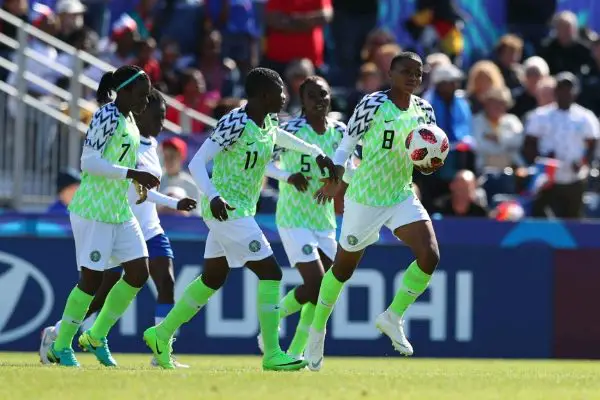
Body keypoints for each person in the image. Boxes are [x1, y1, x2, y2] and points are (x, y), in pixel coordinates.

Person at [142, 67, 338, 371]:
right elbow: (197, 162)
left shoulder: (268, 121)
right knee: (271, 273)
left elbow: (280, 137)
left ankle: (161, 333)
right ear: (264, 95)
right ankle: (272, 353)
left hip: (240, 210)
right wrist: (213, 195)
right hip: (227, 210)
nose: (285, 96)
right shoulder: (235, 122)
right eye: (280, 91)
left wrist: (315, 151)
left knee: (213, 278)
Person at [303, 52, 442, 371]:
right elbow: (347, 144)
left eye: (418, 73)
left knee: (430, 255)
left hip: (401, 194)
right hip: (365, 196)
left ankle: (393, 316)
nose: (413, 78)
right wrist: (336, 177)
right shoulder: (373, 104)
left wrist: (428, 164)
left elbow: (426, 152)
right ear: (390, 73)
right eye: (406, 71)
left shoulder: (425, 110)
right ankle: (317, 330)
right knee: (342, 269)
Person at [40, 89, 197, 367]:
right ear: (141, 114)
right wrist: (172, 202)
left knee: (165, 281)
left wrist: (173, 202)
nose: (162, 123)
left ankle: (161, 351)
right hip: (116, 220)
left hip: (148, 226)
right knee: (97, 293)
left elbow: (144, 188)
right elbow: (132, 187)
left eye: (164, 117)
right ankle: (59, 334)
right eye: (158, 117)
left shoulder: (151, 145)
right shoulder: (128, 143)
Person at [45, 66, 158, 367]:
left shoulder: (130, 119)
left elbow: (116, 162)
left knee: (138, 272)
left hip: (118, 209)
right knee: (92, 280)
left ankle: (96, 335)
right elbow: (89, 162)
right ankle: (61, 345)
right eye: (142, 95)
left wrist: (137, 182)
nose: (146, 101)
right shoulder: (106, 115)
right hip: (95, 209)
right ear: (125, 91)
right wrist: (133, 173)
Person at [256, 76, 348, 360]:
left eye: (324, 94)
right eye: (312, 96)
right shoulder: (290, 129)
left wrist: (338, 181)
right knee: (318, 283)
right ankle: (273, 322)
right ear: (303, 101)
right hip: (294, 218)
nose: (319, 100)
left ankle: (296, 352)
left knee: (324, 289)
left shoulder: (340, 131)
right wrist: (287, 176)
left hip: (324, 220)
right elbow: (262, 162)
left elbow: (349, 165)